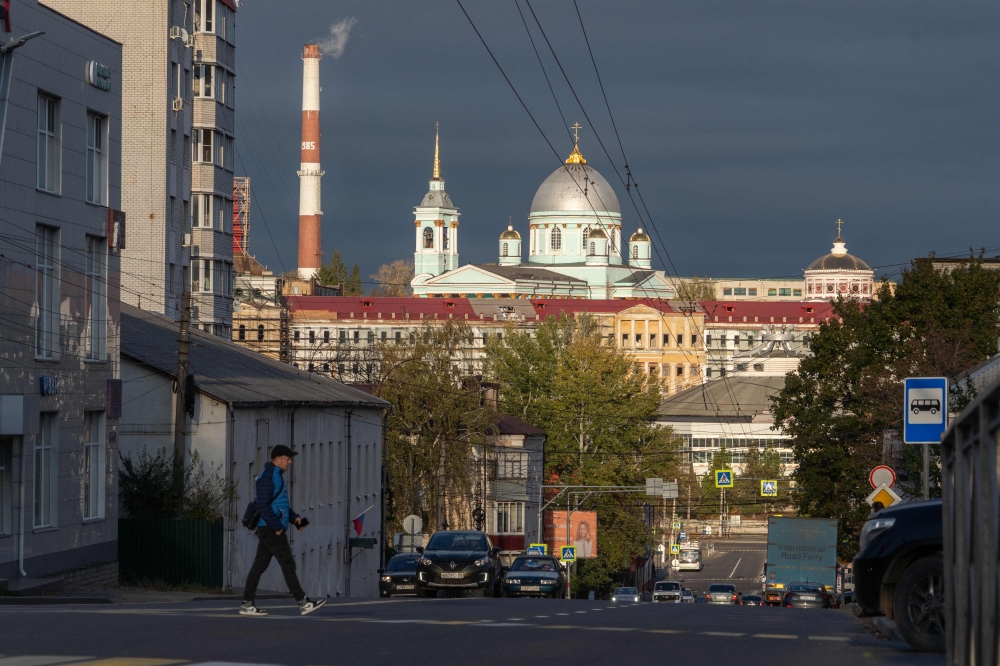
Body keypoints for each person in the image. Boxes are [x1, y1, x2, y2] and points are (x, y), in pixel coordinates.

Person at [240, 445, 326, 616]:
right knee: (288, 564)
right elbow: (263, 506)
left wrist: (295, 519)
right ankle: (303, 602)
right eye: (287, 458)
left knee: (259, 566)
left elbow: (280, 505)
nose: (290, 462)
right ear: (277, 458)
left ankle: (247, 603)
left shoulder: (277, 476)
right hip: (270, 529)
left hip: (270, 528)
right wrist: (277, 527)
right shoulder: (267, 477)